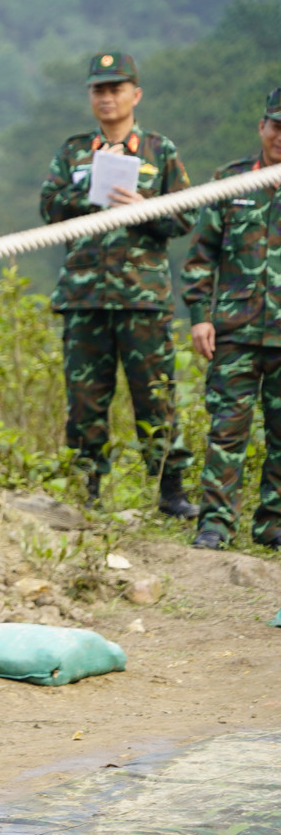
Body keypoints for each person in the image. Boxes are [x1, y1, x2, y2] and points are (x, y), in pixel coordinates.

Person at [39, 52, 198, 517]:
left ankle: (171, 491)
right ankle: (87, 492)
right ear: (90, 97)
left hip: (142, 299)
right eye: (98, 90)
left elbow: (187, 216)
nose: (107, 97)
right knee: (85, 401)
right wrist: (88, 189)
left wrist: (144, 204)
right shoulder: (73, 152)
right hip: (84, 296)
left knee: (156, 394)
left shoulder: (159, 151)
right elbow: (48, 207)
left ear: (135, 94)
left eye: (116, 88)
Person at [182, 87, 281, 552]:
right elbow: (201, 255)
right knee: (226, 430)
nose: (280, 136)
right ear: (262, 127)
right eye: (276, 125)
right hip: (235, 332)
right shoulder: (232, 181)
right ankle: (216, 524)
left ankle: (272, 525)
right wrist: (200, 316)